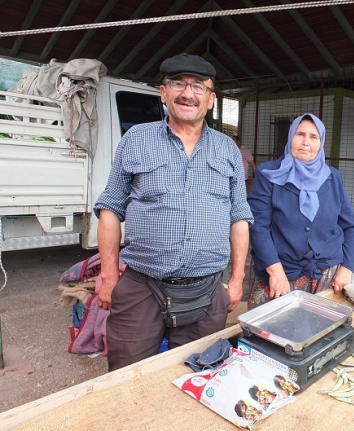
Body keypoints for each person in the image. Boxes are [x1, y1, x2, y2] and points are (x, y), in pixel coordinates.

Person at [93, 53, 253, 371]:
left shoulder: (227, 149)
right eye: (178, 83)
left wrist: (236, 279)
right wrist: (109, 276)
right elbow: (110, 207)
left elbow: (239, 216)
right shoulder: (136, 139)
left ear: (210, 99)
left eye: (198, 86)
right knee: (127, 377)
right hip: (142, 284)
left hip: (207, 289)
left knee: (197, 375)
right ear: (163, 92)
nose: (187, 93)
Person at [247, 113, 354, 309]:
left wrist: (347, 267)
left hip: (327, 275)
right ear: (291, 137)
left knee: (320, 332)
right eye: (300, 134)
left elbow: (351, 227)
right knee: (270, 333)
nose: (306, 142)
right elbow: (258, 227)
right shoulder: (268, 174)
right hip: (280, 272)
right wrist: (275, 272)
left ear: (321, 142)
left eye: (313, 137)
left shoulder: (333, 177)